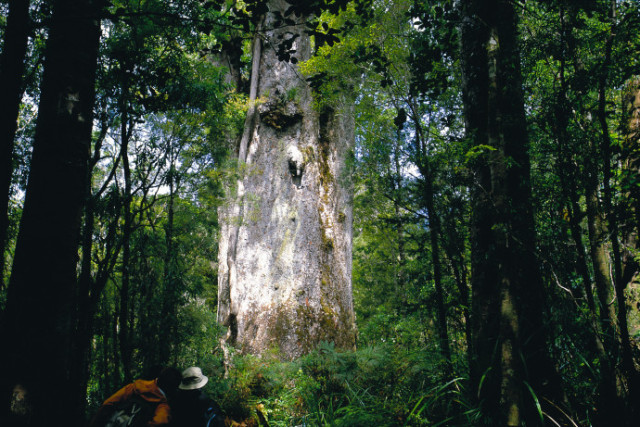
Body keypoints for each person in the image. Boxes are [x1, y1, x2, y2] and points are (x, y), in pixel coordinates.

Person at [90, 366, 182, 427]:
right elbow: (161, 422)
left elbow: (108, 404)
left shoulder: (135, 387)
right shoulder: (162, 406)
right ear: (172, 388)